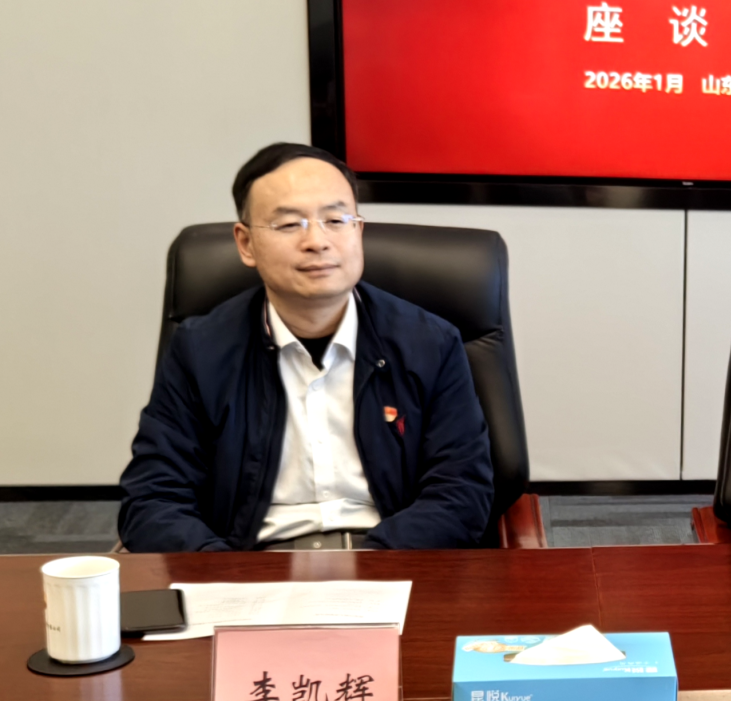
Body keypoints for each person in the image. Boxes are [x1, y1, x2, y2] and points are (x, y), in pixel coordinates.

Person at [119, 144, 494, 551]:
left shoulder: (430, 343)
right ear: (246, 244)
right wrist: (228, 574)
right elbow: (153, 499)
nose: (317, 241)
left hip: (391, 556)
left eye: (336, 220)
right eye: (288, 224)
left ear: (358, 231)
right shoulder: (200, 350)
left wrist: (373, 566)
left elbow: (460, 492)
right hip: (250, 561)